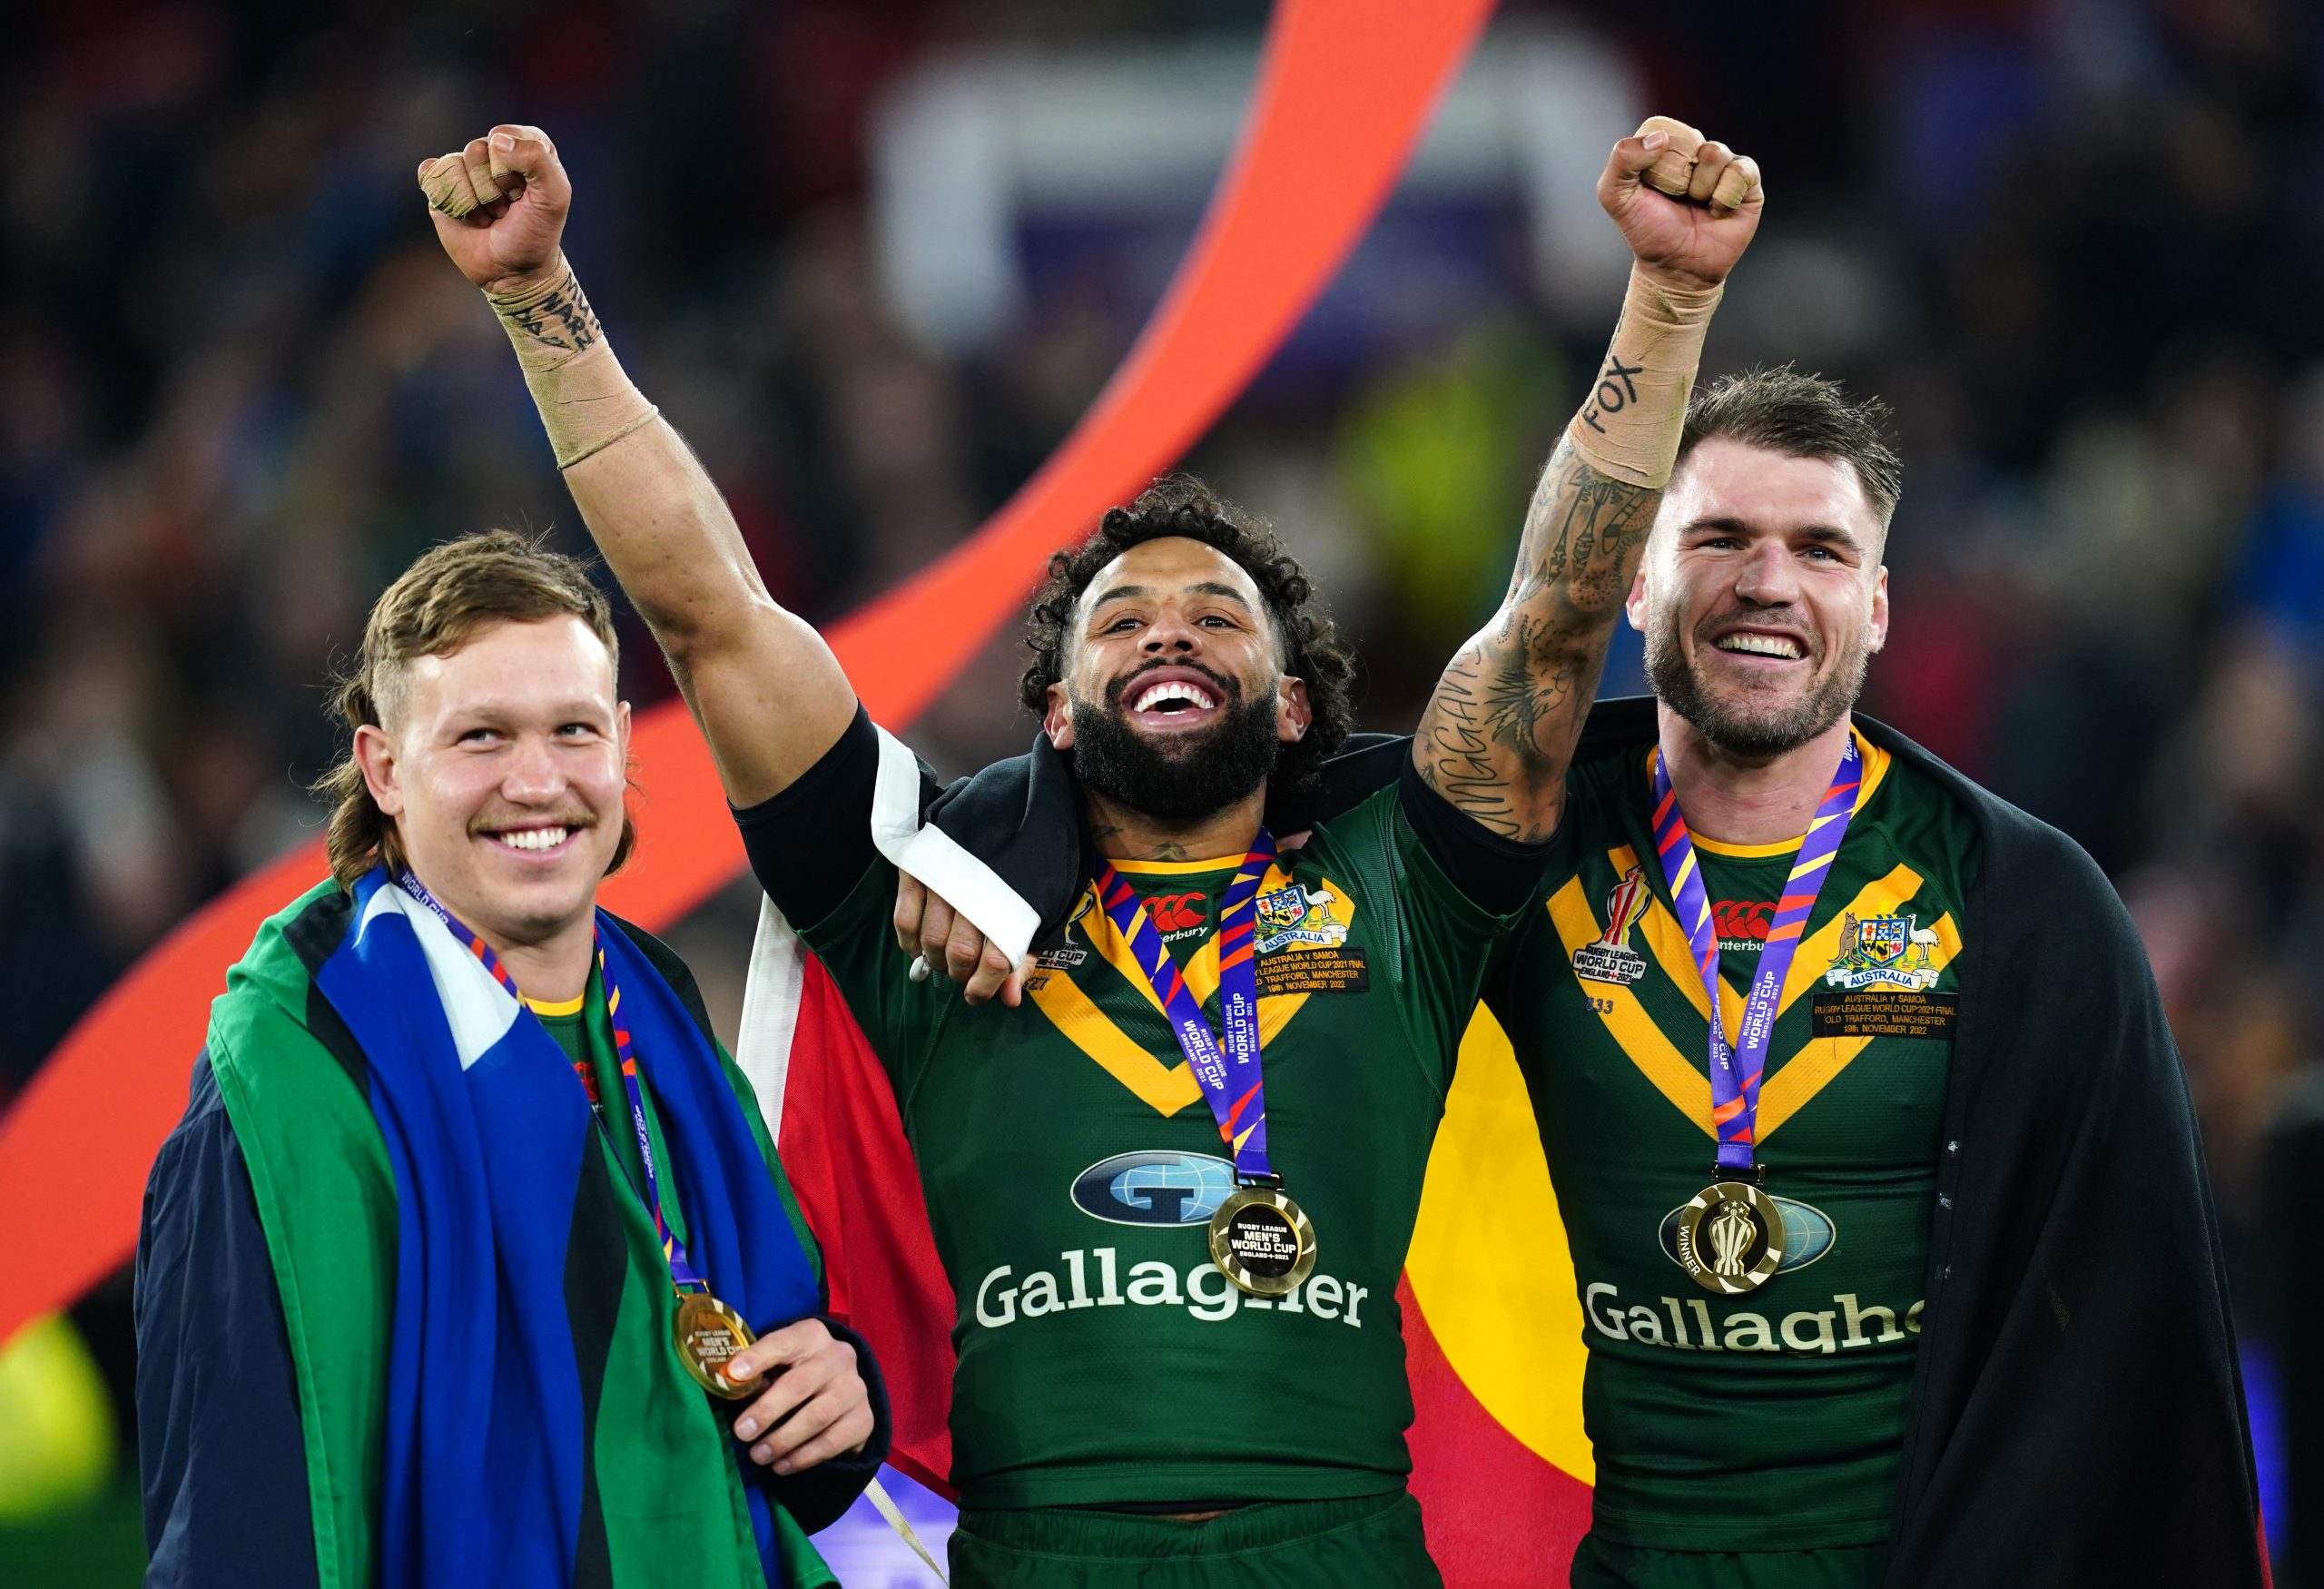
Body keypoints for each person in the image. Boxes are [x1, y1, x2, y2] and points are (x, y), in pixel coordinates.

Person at [411, 114, 1760, 1585]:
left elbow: (1558, 612)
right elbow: (711, 614)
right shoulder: (922, 908)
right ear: (1055, 710)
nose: (1168, 627)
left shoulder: (1405, 893)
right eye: (1121, 620)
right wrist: (540, 295)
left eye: (1215, 615)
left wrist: (1670, 299)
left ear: (1296, 696)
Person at [914, 368, 2268, 1586]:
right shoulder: (1518, 842)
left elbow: (2141, 1329)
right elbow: (1189, 772)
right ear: (1637, 582)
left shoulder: (2020, 898)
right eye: (1720, 538)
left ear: (1878, 600)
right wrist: (1001, 833)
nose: (1768, 582)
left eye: (1820, 548)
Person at [134, 532, 889, 1589]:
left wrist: (840, 1395)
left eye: (572, 731)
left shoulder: (654, 1009)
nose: (537, 782)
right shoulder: (292, 1069)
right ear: (384, 769)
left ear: (625, 747)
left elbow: (770, 1401)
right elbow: (235, 1516)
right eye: (481, 737)